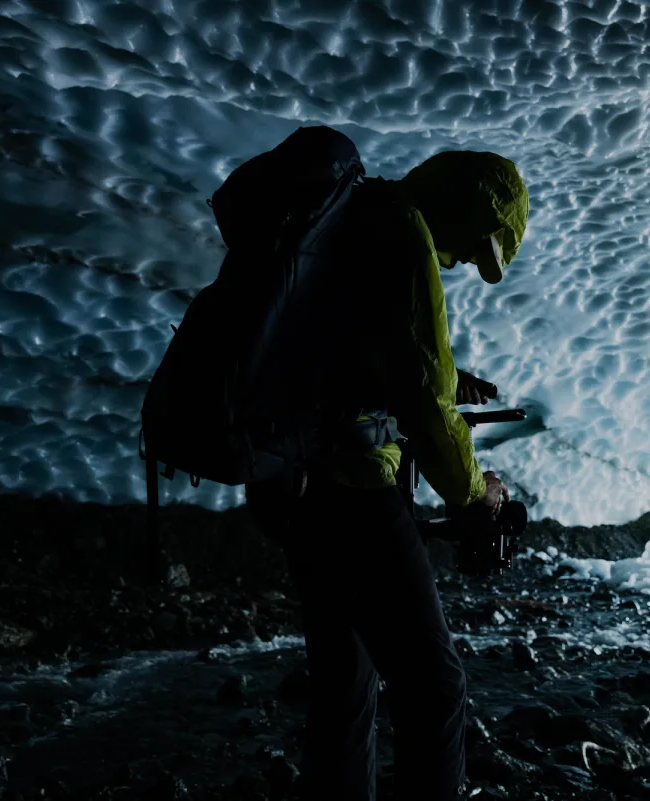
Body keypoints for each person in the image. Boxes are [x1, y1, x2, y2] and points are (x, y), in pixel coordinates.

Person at [245, 150, 529, 800]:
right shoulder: (405, 233)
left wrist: (448, 379)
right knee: (435, 687)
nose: (460, 262)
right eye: (473, 245)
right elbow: (425, 399)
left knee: (345, 680)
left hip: (296, 481)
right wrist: (474, 493)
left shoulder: (355, 219)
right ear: (466, 209)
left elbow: (358, 350)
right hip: (355, 491)